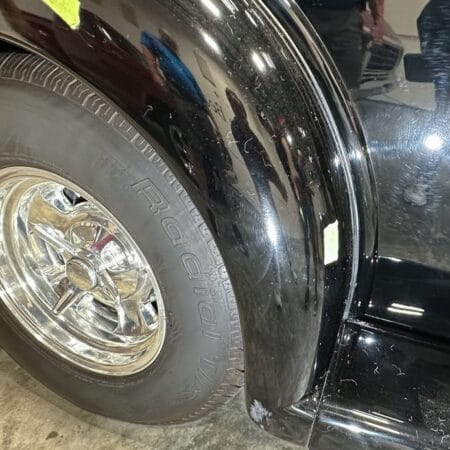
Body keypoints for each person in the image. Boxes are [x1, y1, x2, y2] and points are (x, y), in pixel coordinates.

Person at [298, 0, 385, 90]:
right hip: (304, 12)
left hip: (345, 17)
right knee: (300, 77)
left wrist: (378, 22)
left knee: (346, 84)